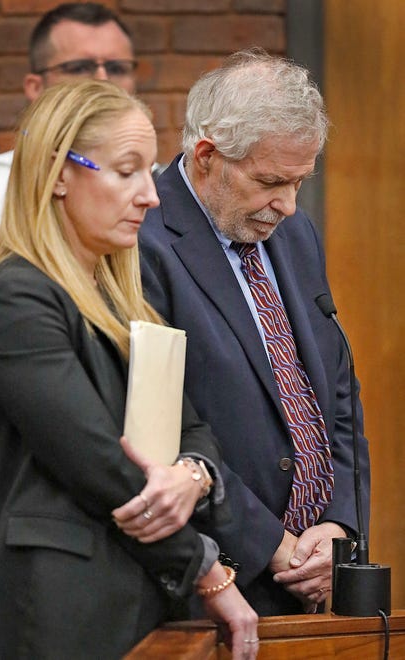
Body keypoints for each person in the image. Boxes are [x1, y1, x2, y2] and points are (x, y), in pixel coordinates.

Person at [0, 80, 258, 660]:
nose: (151, 195)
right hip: (57, 615)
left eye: (150, 171)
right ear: (59, 173)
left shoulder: (123, 301)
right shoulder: (14, 298)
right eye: (126, 171)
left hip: (140, 604)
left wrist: (192, 475)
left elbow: (191, 431)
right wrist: (206, 569)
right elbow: (101, 466)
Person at [0, 1, 164, 641]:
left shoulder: (137, 199)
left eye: (116, 65)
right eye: (79, 65)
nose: (102, 76)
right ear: (35, 87)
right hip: (27, 495)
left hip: (135, 516)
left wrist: (187, 473)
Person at [139, 47, 371, 616]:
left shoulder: (292, 233)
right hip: (214, 580)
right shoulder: (142, 243)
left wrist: (338, 521)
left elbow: (333, 387)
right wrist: (272, 546)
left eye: (299, 182)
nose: (289, 206)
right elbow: (161, 430)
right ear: (207, 155)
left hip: (316, 573)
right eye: (271, 181)